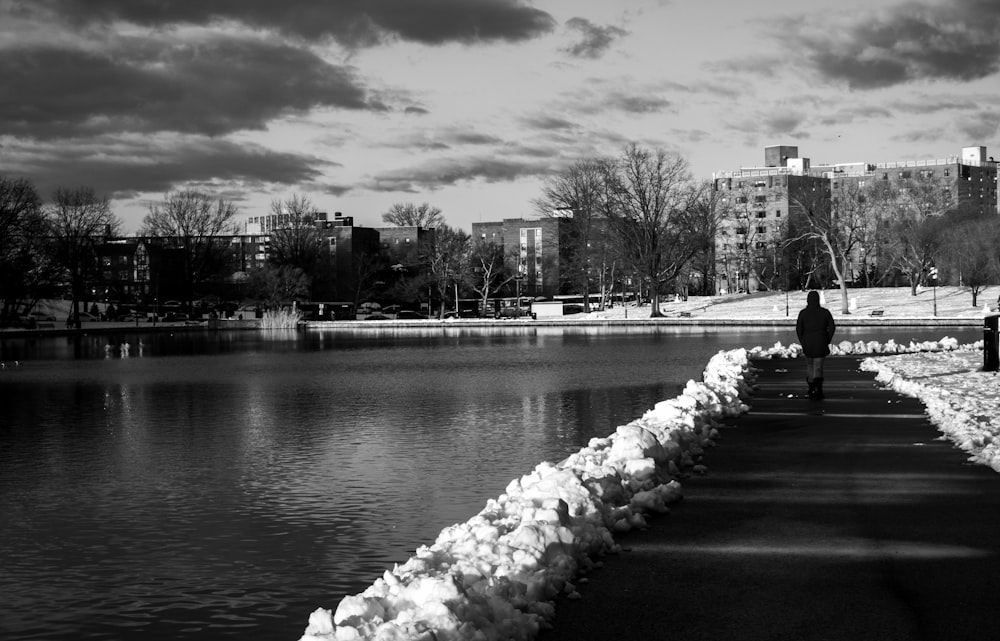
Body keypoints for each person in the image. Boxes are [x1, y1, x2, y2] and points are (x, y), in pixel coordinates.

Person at [796, 290, 836, 399]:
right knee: (818, 367)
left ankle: (811, 388)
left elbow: (799, 329)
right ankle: (818, 389)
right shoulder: (825, 312)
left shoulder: (803, 313)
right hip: (821, 342)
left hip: (808, 343)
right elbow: (832, 327)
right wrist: (827, 339)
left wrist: (802, 341)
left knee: (809, 366)